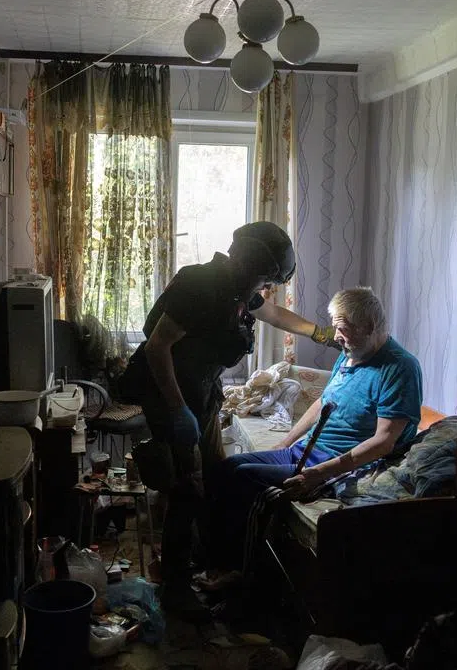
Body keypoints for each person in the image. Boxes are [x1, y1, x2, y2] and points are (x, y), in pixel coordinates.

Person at [121, 220, 335, 617]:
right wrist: (176, 408)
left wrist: (320, 333)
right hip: (169, 393)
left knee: (216, 476)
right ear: (252, 266)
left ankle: (207, 564)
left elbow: (275, 315)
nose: (266, 288)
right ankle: (175, 588)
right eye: (266, 279)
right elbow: (156, 348)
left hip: (201, 394)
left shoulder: (240, 291)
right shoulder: (199, 285)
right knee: (188, 488)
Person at [205, 287, 423, 584]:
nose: (335, 335)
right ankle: (214, 561)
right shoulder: (349, 354)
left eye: (341, 328)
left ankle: (240, 575)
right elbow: (322, 402)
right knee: (225, 468)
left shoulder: (400, 368)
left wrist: (317, 474)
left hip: (339, 464)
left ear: (370, 327)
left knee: (245, 477)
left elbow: (385, 441)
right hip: (306, 449)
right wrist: (284, 443)